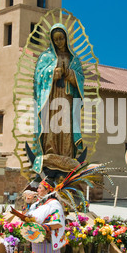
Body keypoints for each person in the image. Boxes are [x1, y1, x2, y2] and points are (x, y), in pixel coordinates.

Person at [32, 23, 84, 174]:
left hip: (67, 98)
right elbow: (37, 77)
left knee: (66, 128)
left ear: (66, 38)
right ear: (52, 40)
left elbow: (81, 77)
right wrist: (51, 74)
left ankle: (66, 156)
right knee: (50, 127)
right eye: (56, 39)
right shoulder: (46, 57)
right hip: (51, 97)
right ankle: (50, 153)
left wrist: (71, 75)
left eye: (62, 38)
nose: (59, 42)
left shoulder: (74, 59)